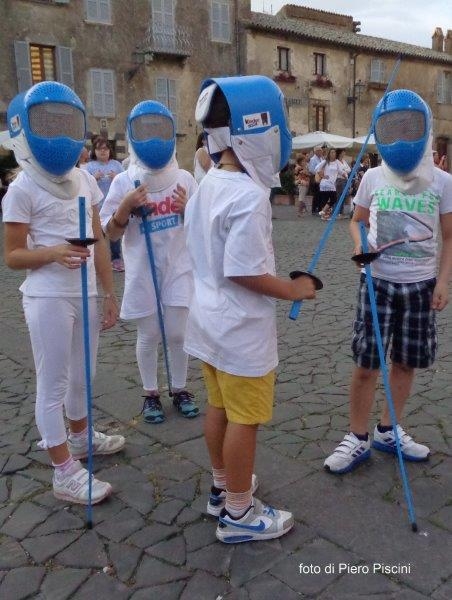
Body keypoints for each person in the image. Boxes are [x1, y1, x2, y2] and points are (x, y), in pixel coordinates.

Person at [184, 75, 317, 543]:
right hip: (239, 330)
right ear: (259, 131)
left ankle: (223, 487)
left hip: (207, 323)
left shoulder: (207, 184)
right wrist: (294, 289)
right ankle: (239, 512)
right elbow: (244, 271)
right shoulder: (249, 195)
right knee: (245, 417)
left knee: (219, 406)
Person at [2, 81, 125, 504]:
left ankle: (80, 436)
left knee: (82, 376)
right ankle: (63, 471)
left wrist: (109, 293)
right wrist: (53, 252)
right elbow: (13, 256)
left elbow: (99, 239)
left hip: (85, 293)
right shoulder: (21, 188)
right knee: (53, 383)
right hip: (48, 297)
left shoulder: (85, 179)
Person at [324, 89, 452, 474]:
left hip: (421, 285)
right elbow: (357, 221)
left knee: (405, 363)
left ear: (424, 130)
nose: (401, 137)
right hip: (376, 281)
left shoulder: (443, 182)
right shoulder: (373, 177)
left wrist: (443, 282)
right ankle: (357, 436)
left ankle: (387, 429)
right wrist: (359, 243)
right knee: (367, 363)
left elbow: (450, 237)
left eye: (409, 128)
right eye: (393, 129)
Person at [100, 100, 199, 424]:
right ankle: (150, 393)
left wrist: (189, 210)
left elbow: (202, 227)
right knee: (150, 332)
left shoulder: (185, 178)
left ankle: (180, 388)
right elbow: (110, 233)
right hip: (143, 268)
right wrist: (125, 207)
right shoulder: (123, 181)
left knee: (178, 333)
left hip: (179, 266)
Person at [85, 136, 124, 272]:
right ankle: (98, 260)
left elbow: (124, 181)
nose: (103, 151)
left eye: (106, 149)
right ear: (94, 151)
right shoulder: (90, 166)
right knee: (98, 235)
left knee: (114, 233)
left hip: (114, 206)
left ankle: (116, 259)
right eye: (99, 149)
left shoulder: (116, 165)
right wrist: (94, 178)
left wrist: (116, 178)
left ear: (110, 151)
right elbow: (85, 185)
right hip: (97, 207)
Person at [315, 148, 344, 220]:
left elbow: (341, 171)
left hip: (332, 183)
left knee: (334, 199)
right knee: (326, 199)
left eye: (334, 152)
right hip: (325, 183)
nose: (333, 154)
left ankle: (323, 212)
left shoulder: (337, 162)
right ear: (329, 154)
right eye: (332, 152)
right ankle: (324, 215)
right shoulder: (325, 161)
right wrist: (322, 176)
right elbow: (317, 168)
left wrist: (346, 176)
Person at [308, 145, 324, 214]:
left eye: (321, 151)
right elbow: (311, 170)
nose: (321, 152)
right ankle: (314, 209)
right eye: (320, 150)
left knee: (321, 194)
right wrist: (319, 173)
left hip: (321, 178)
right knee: (316, 194)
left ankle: (319, 208)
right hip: (315, 178)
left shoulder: (321, 159)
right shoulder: (313, 159)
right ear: (316, 151)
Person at [335, 148, 351, 217]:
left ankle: (341, 211)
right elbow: (339, 170)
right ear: (340, 153)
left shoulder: (344, 161)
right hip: (339, 179)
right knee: (340, 195)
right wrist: (344, 170)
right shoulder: (336, 161)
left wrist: (344, 170)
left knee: (344, 195)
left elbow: (349, 169)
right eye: (343, 152)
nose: (344, 153)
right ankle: (338, 211)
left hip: (345, 179)